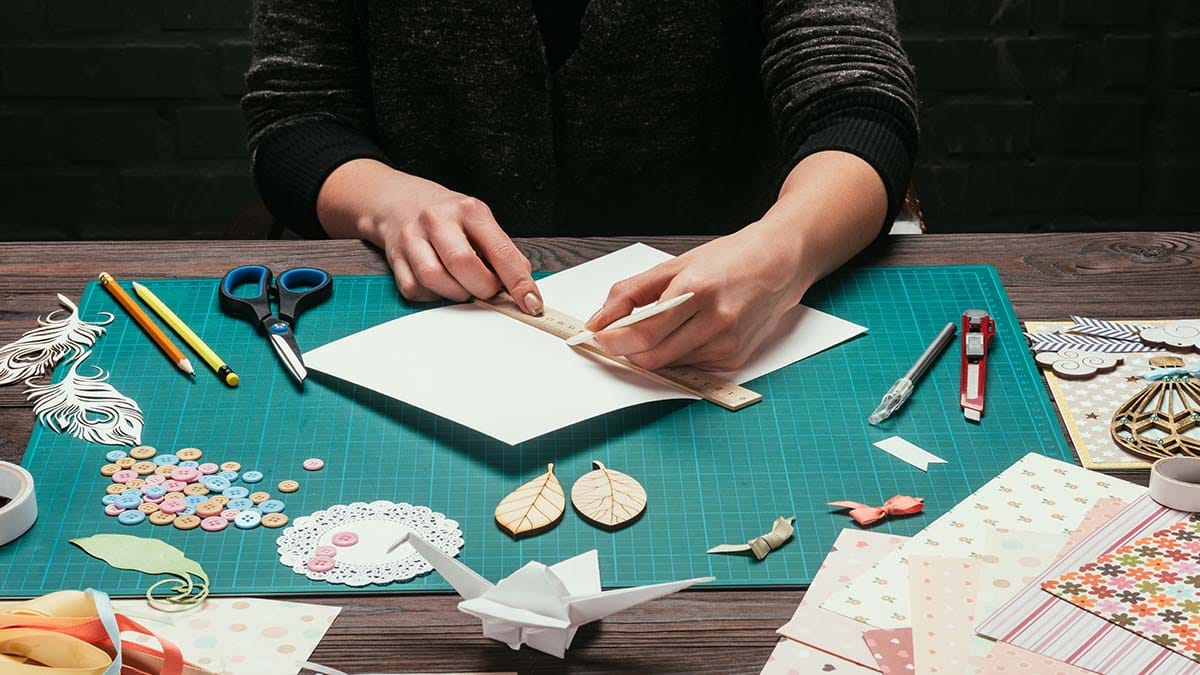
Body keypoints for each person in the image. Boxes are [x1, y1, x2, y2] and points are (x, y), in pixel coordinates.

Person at [242, 1, 917, 372]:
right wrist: (387, 202)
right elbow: (297, 114)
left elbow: (857, 99)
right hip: (417, 316)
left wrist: (785, 249)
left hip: (732, 309)